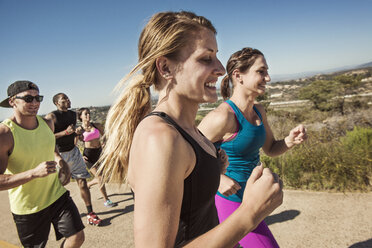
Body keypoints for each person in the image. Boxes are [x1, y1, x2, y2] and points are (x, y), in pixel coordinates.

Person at [97, 11, 283, 247]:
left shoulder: (189, 131)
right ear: (166, 68)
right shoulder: (160, 137)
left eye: (217, 56)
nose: (219, 69)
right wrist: (250, 214)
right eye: (206, 59)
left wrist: (212, 169)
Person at [198, 47, 308, 247]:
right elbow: (187, 154)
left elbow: (271, 148)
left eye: (266, 72)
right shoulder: (223, 117)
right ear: (238, 76)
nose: (268, 78)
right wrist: (218, 178)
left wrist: (290, 141)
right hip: (228, 200)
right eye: (261, 71)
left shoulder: (259, 111)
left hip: (253, 200)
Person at [0, 80, 84, 248]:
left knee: (77, 237)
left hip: (57, 194)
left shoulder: (47, 124)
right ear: (12, 102)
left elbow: (50, 145)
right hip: (28, 207)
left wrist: (61, 162)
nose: (35, 103)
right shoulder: (5, 134)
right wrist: (33, 173)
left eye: (38, 98)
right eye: (28, 99)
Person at [45, 93, 102, 226]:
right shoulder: (51, 117)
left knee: (82, 182)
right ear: (56, 103)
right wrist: (65, 132)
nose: (68, 100)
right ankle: (50, 212)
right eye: (64, 99)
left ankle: (90, 213)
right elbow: (47, 137)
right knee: (58, 185)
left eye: (68, 98)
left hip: (74, 152)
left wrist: (78, 133)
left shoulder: (72, 114)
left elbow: (75, 133)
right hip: (59, 154)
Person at [76, 107, 117, 208]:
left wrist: (104, 143)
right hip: (88, 156)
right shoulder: (79, 130)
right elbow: (74, 144)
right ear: (80, 117)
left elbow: (106, 135)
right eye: (85, 114)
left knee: (104, 177)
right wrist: (80, 156)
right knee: (100, 178)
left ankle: (89, 184)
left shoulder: (96, 125)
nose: (88, 115)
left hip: (99, 153)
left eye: (89, 113)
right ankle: (106, 200)